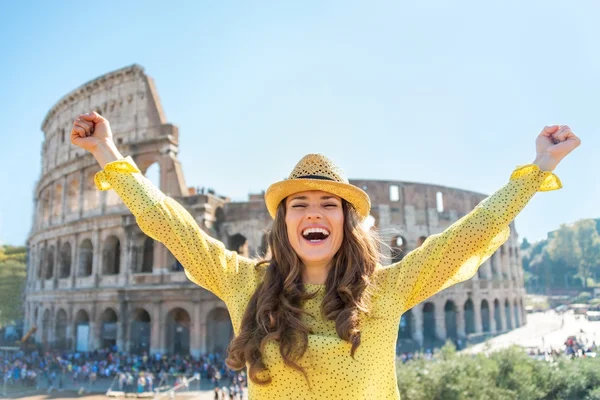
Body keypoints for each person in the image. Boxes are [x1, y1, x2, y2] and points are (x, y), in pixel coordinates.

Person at [70, 112, 580, 399]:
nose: (314, 213)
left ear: (345, 221)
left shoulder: (387, 289)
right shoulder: (243, 283)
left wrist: (540, 166)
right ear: (283, 220)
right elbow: (171, 225)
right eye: (300, 203)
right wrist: (108, 155)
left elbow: (468, 236)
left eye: (328, 204)